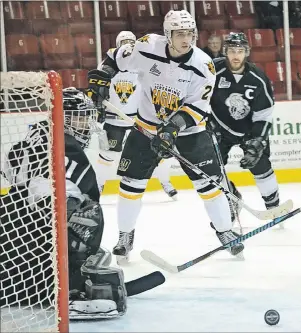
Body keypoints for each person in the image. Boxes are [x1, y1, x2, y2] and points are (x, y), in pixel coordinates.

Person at [86, 9, 245, 263]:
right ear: (167, 35)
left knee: (209, 185)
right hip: (147, 127)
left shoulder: (203, 66)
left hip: (190, 132)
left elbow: (196, 108)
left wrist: (171, 129)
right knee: (130, 184)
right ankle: (125, 236)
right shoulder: (147, 47)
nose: (186, 39)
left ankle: (225, 231)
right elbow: (114, 58)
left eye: (190, 33)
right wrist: (102, 77)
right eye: (179, 33)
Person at [0, 88, 128, 319]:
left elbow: (10, 170)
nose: (86, 124)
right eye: (81, 117)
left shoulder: (37, 132)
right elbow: (53, 201)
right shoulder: (65, 144)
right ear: (65, 117)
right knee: (87, 214)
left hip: (12, 235)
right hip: (35, 241)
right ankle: (70, 291)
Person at [207, 32, 280, 227]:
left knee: (261, 165)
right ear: (225, 52)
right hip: (220, 129)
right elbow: (198, 95)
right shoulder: (213, 70)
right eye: (232, 50)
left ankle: (274, 207)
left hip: (249, 131)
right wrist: (206, 121)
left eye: (240, 51)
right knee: (211, 170)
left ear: (246, 52)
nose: (236, 55)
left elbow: (264, 116)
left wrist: (257, 142)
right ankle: (230, 201)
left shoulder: (258, 78)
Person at [96, 30, 178, 200]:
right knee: (108, 157)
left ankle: (165, 181)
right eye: (123, 42)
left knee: (158, 152)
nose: (127, 46)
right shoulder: (108, 64)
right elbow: (98, 87)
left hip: (139, 120)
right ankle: (99, 185)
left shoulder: (144, 62)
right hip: (114, 120)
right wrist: (99, 105)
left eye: (130, 42)